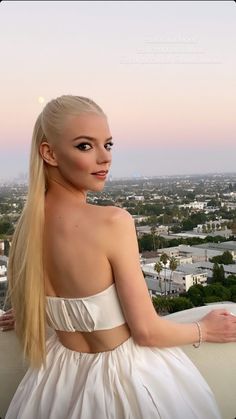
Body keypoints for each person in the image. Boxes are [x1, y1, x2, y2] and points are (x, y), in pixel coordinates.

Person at [3, 95, 236, 419]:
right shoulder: (113, 222)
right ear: (49, 153)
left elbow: (58, 298)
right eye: (85, 146)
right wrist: (206, 330)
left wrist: (31, 309)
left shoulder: (25, 230)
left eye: (108, 145)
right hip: (123, 381)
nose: (104, 158)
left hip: (54, 383)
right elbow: (147, 332)